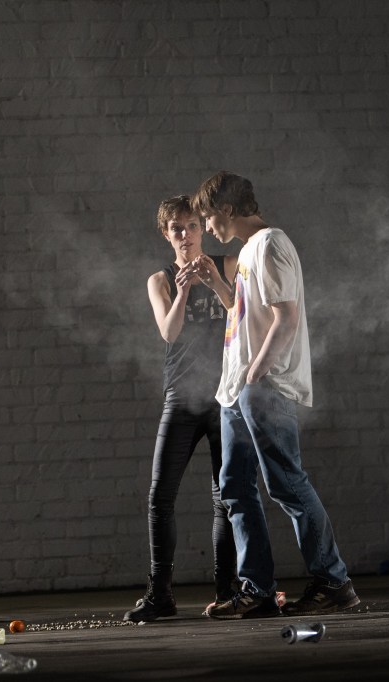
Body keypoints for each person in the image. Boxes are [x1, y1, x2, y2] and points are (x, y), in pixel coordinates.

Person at [190, 171, 359, 619]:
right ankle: (257, 590)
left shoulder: (271, 243)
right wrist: (217, 286)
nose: (207, 228)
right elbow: (247, 313)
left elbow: (286, 317)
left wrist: (256, 374)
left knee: (285, 482)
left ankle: (334, 581)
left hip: (260, 386)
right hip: (237, 389)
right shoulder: (248, 251)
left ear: (226, 209)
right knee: (235, 487)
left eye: (208, 217)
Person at [124, 195, 239, 622]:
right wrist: (187, 285)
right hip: (182, 395)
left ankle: (228, 591)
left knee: (225, 497)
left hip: (224, 394)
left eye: (192, 227)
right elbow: (170, 333)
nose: (186, 235)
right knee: (161, 496)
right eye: (177, 229)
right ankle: (161, 595)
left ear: (201, 230)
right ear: (166, 234)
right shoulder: (160, 280)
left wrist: (213, 281)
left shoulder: (227, 265)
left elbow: (242, 316)